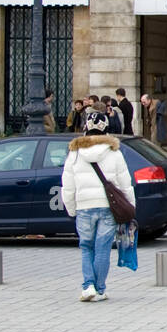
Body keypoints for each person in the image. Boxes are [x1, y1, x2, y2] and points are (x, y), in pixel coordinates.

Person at [60, 106, 136, 303]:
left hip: (84, 206)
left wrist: (71, 208)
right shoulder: (114, 153)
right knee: (102, 249)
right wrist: (131, 206)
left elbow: (67, 185)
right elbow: (125, 183)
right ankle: (100, 290)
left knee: (86, 246)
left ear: (85, 128)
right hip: (107, 207)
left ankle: (88, 286)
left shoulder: (74, 153)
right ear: (106, 130)